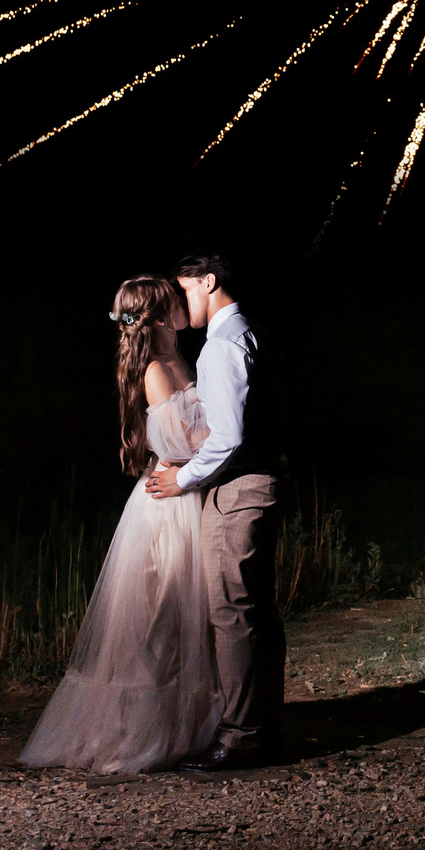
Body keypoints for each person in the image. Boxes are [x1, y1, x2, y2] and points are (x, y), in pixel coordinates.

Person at [17, 275, 221, 773]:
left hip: (188, 495)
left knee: (186, 621)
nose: (182, 307)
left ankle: (186, 724)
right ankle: (143, 730)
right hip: (168, 506)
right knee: (159, 617)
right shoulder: (155, 370)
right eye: (173, 303)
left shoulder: (180, 360)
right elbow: (181, 443)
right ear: (156, 317)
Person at [144, 251, 285, 769]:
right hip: (264, 481)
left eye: (185, 292)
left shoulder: (220, 347)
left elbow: (227, 436)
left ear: (209, 282)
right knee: (257, 612)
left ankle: (242, 735)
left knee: (232, 612)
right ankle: (263, 725)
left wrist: (180, 478)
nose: (182, 305)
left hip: (239, 491)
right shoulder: (252, 332)